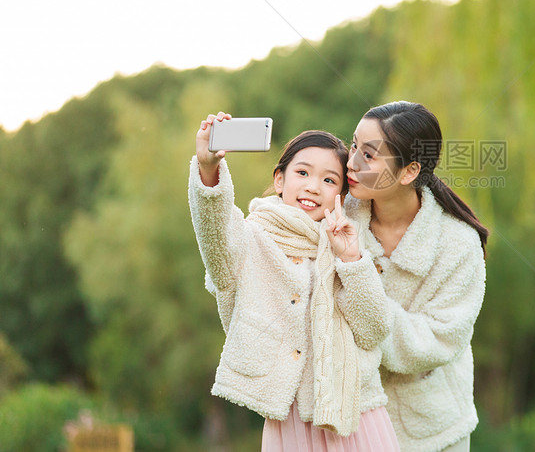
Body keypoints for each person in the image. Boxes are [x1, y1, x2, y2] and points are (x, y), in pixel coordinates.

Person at [188, 112, 400, 452]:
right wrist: (208, 168)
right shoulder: (251, 236)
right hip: (290, 422)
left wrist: (350, 259)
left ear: (342, 196)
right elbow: (216, 244)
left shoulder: (347, 242)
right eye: (302, 173)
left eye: (330, 180)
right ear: (279, 180)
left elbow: (374, 329)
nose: (314, 187)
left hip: (357, 417)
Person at [342, 101, 488, 452]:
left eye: (369, 155)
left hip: (432, 431)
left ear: (408, 172)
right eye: (353, 146)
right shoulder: (336, 218)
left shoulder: (457, 243)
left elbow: (439, 339)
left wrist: (362, 291)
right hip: (349, 426)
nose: (351, 162)